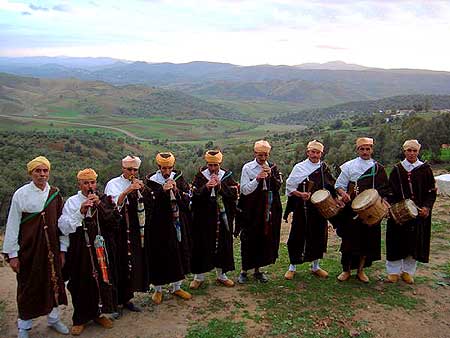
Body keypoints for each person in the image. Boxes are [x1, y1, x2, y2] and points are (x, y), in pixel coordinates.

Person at [3, 156, 69, 338]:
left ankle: (54, 319)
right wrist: (13, 255)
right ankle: (24, 326)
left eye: (45, 170)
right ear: (31, 173)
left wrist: (63, 249)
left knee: (53, 284)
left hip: (52, 250)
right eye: (37, 171)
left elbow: (61, 224)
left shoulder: (55, 194)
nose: (41, 174)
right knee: (28, 287)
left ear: (49, 172)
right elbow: (13, 225)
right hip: (29, 251)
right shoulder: (21, 194)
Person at [58, 168, 120, 335]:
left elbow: (114, 222)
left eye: (92, 182)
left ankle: (99, 314)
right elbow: (63, 227)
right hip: (80, 251)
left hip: (101, 249)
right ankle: (80, 319)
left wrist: (99, 205)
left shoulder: (104, 200)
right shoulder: (71, 202)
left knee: (102, 281)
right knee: (81, 283)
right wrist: (81, 211)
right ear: (79, 184)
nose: (90, 186)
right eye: (86, 183)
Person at [334, 137, 390, 283]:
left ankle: (361, 270)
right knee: (349, 241)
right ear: (357, 150)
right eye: (362, 149)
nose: (365, 152)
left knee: (367, 240)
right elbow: (339, 185)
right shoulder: (349, 166)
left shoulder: (378, 168)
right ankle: (346, 270)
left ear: (372, 149)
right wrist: (343, 194)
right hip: (351, 209)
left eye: (368, 149)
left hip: (371, 210)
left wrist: (382, 200)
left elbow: (385, 189)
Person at [386, 140, 437, 284]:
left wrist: (427, 207)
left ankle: (408, 272)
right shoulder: (397, 169)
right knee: (396, 240)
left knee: (414, 241)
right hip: (399, 212)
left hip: (419, 213)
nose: (412, 153)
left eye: (414, 151)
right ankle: (393, 271)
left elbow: (431, 192)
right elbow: (390, 190)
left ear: (418, 152)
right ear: (404, 152)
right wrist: (393, 207)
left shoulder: (425, 169)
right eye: (409, 150)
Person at [144, 152, 192, 304]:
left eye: (169, 168)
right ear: (158, 167)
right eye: (163, 169)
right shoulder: (150, 182)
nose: (166, 172)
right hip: (159, 226)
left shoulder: (179, 178)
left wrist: (176, 191)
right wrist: (162, 191)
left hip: (177, 223)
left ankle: (176, 286)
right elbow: (148, 203)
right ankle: (158, 289)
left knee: (178, 252)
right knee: (159, 255)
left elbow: (187, 199)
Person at [284, 140, 336, 280]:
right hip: (303, 207)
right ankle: (292, 266)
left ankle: (315, 266)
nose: (315, 155)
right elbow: (289, 187)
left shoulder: (324, 168)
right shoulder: (299, 167)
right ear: (308, 152)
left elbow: (331, 184)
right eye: (312, 152)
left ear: (321, 153)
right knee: (297, 235)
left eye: (317, 152)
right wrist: (300, 194)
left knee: (318, 235)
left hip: (319, 208)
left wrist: (336, 198)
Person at [104, 155, 149, 313]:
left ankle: (128, 299)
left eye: (135, 170)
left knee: (132, 263)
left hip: (134, 229)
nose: (132, 172)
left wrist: (141, 190)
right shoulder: (113, 184)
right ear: (123, 169)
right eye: (129, 169)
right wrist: (128, 190)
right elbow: (111, 205)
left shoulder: (137, 182)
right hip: (118, 230)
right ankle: (115, 302)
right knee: (119, 264)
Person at [189, 150, 239, 289]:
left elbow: (234, 194)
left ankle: (221, 275)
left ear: (220, 164)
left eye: (215, 165)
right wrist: (206, 187)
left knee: (223, 244)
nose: (212, 168)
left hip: (222, 218)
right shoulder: (200, 177)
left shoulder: (227, 176)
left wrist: (220, 187)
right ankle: (199, 277)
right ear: (206, 164)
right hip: (203, 219)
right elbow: (193, 195)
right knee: (201, 244)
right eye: (210, 165)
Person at [236, 140, 282, 283]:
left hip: (267, 208)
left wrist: (271, 177)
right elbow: (244, 190)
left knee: (264, 237)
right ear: (255, 153)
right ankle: (244, 270)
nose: (263, 158)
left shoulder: (272, 167)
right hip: (251, 209)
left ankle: (258, 269)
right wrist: (257, 178)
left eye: (266, 155)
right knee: (249, 238)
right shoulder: (248, 168)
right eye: (260, 155)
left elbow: (277, 187)